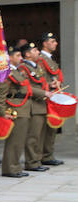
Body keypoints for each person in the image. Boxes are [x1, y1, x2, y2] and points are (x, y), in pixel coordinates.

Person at [0, 46, 32, 177]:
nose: (21, 58)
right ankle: (9, 168)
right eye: (17, 55)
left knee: (20, 140)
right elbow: (1, 94)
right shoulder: (7, 72)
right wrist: (1, 111)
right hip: (15, 109)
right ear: (9, 57)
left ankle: (15, 166)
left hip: (23, 108)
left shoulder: (17, 71)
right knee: (14, 141)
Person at [20, 42, 52, 172]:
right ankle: (31, 162)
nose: (38, 52)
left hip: (41, 104)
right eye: (34, 50)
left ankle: (37, 160)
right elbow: (26, 87)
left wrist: (51, 85)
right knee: (33, 136)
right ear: (27, 54)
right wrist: (44, 93)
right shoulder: (23, 68)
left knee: (40, 135)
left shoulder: (36, 67)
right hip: (34, 104)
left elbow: (43, 82)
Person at [37, 32, 64, 166]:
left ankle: (48, 154)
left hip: (53, 95)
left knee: (51, 127)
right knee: (45, 128)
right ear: (45, 43)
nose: (55, 43)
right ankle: (44, 155)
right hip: (46, 96)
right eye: (52, 41)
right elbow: (41, 78)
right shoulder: (41, 59)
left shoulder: (49, 59)